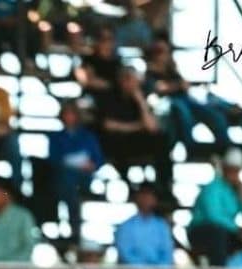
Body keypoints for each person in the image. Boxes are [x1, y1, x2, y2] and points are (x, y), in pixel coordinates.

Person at [143, 38, 230, 154]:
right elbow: (160, 89)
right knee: (182, 111)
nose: (164, 55)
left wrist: (176, 82)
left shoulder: (172, 71)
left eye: (166, 51)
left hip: (186, 100)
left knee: (213, 112)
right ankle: (191, 146)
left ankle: (224, 146)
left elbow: (184, 86)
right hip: (169, 104)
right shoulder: (150, 73)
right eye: (160, 51)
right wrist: (176, 86)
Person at [97, 66, 174, 197]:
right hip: (116, 143)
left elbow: (151, 127)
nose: (129, 83)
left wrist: (140, 101)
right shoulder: (109, 97)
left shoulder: (142, 98)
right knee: (114, 144)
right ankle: (130, 187)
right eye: (126, 79)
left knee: (161, 140)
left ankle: (164, 187)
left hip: (136, 140)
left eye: (132, 80)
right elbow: (109, 125)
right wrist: (136, 126)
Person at [114, 182, 184, 269]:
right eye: (143, 195)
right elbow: (126, 256)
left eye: (149, 196)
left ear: (155, 200)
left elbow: (167, 253)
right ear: (137, 198)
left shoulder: (161, 226)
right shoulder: (126, 227)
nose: (146, 199)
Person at [186, 147, 242, 269]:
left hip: (226, 231)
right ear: (224, 168)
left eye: (236, 170)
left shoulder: (238, 190)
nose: (233, 173)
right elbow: (213, 217)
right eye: (231, 169)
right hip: (201, 231)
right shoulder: (212, 187)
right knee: (218, 235)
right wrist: (237, 229)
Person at [47, 100, 105, 246]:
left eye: (71, 113)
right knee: (67, 185)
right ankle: (73, 230)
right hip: (64, 178)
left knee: (69, 188)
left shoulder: (87, 136)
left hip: (83, 178)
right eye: (66, 114)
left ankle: (74, 231)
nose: (69, 117)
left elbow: (98, 159)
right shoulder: (56, 138)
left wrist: (91, 165)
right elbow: (54, 160)